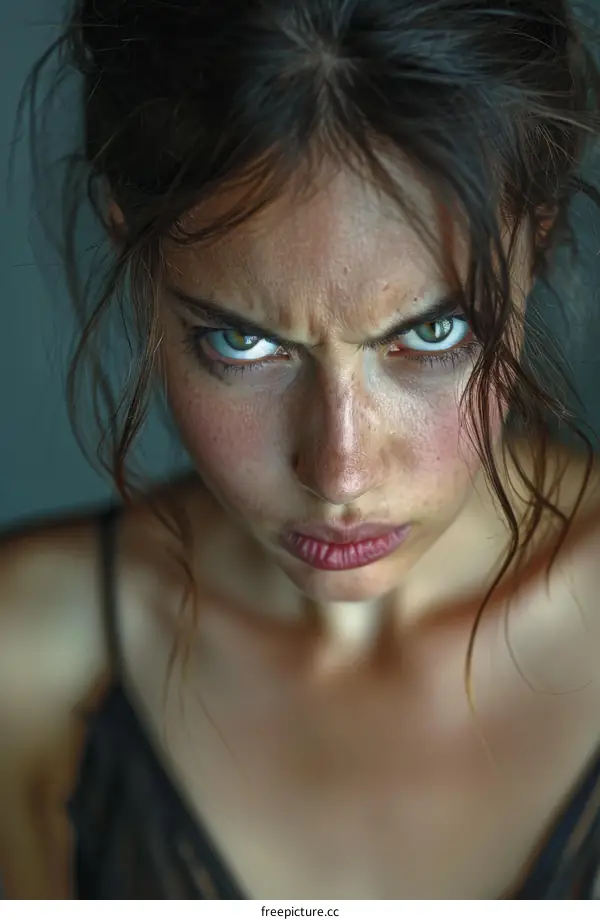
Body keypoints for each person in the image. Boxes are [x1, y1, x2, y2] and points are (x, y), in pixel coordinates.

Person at [2, 0, 600, 900]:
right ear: (133, 241)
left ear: (538, 235)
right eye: (244, 345)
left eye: (431, 332)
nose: (340, 473)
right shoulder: (32, 660)